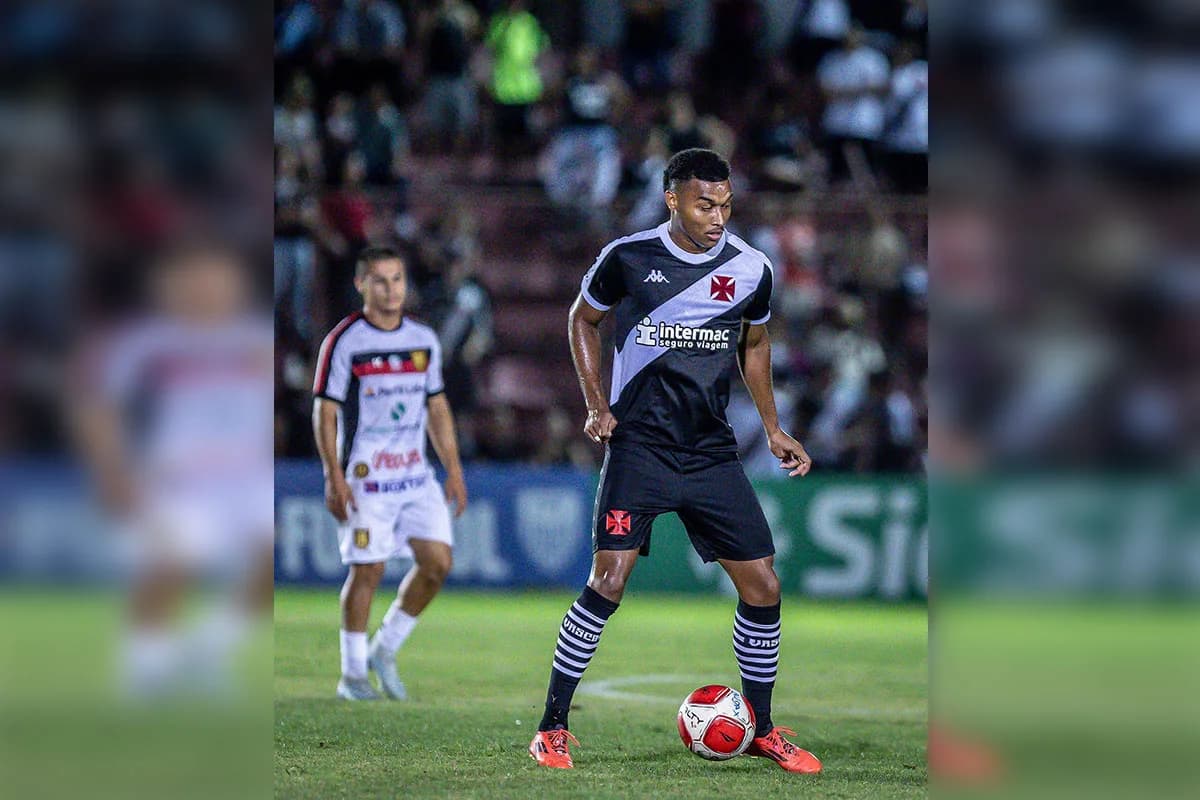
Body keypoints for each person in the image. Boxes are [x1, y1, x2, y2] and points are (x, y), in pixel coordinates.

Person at [527, 149, 822, 773]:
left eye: (725, 205)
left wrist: (772, 427)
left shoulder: (751, 269)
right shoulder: (629, 258)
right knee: (608, 580)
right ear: (673, 201)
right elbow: (583, 319)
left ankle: (763, 728)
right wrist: (596, 403)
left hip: (710, 449)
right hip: (641, 445)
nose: (717, 217)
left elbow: (757, 341)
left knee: (764, 585)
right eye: (703, 204)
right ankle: (552, 727)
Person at [312, 246, 468, 700]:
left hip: (415, 474)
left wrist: (453, 470)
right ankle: (353, 675)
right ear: (361, 284)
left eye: (397, 279)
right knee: (368, 570)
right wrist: (333, 475)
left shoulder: (423, 340)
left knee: (438, 563)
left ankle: (386, 647)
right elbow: (325, 411)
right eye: (380, 280)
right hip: (365, 477)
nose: (391, 289)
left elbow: (436, 407)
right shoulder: (344, 342)